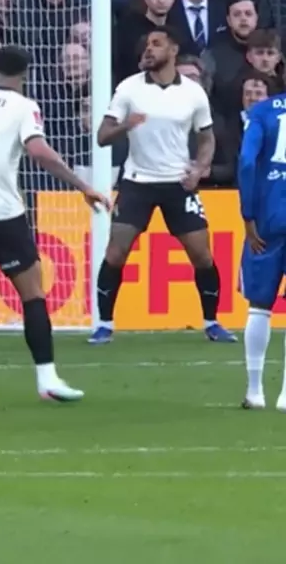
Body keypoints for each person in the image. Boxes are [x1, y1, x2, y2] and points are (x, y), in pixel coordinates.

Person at [0, 44, 111, 406]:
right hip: (2, 215)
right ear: (26, 73)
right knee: (33, 294)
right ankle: (47, 379)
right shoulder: (23, 106)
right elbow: (39, 151)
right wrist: (83, 185)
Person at [88, 26, 237, 345]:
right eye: (147, 44)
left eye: (156, 44)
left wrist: (199, 168)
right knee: (116, 252)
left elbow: (207, 138)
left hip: (178, 184)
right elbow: (102, 136)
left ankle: (212, 322)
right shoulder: (129, 88)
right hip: (137, 182)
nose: (149, 49)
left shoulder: (193, 92)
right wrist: (126, 125)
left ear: (173, 50)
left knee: (202, 254)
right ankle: (104, 325)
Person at [237, 89, 286, 410]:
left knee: (259, 306)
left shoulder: (263, 111)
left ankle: (255, 391)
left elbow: (246, 162)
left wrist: (248, 215)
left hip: (268, 218)